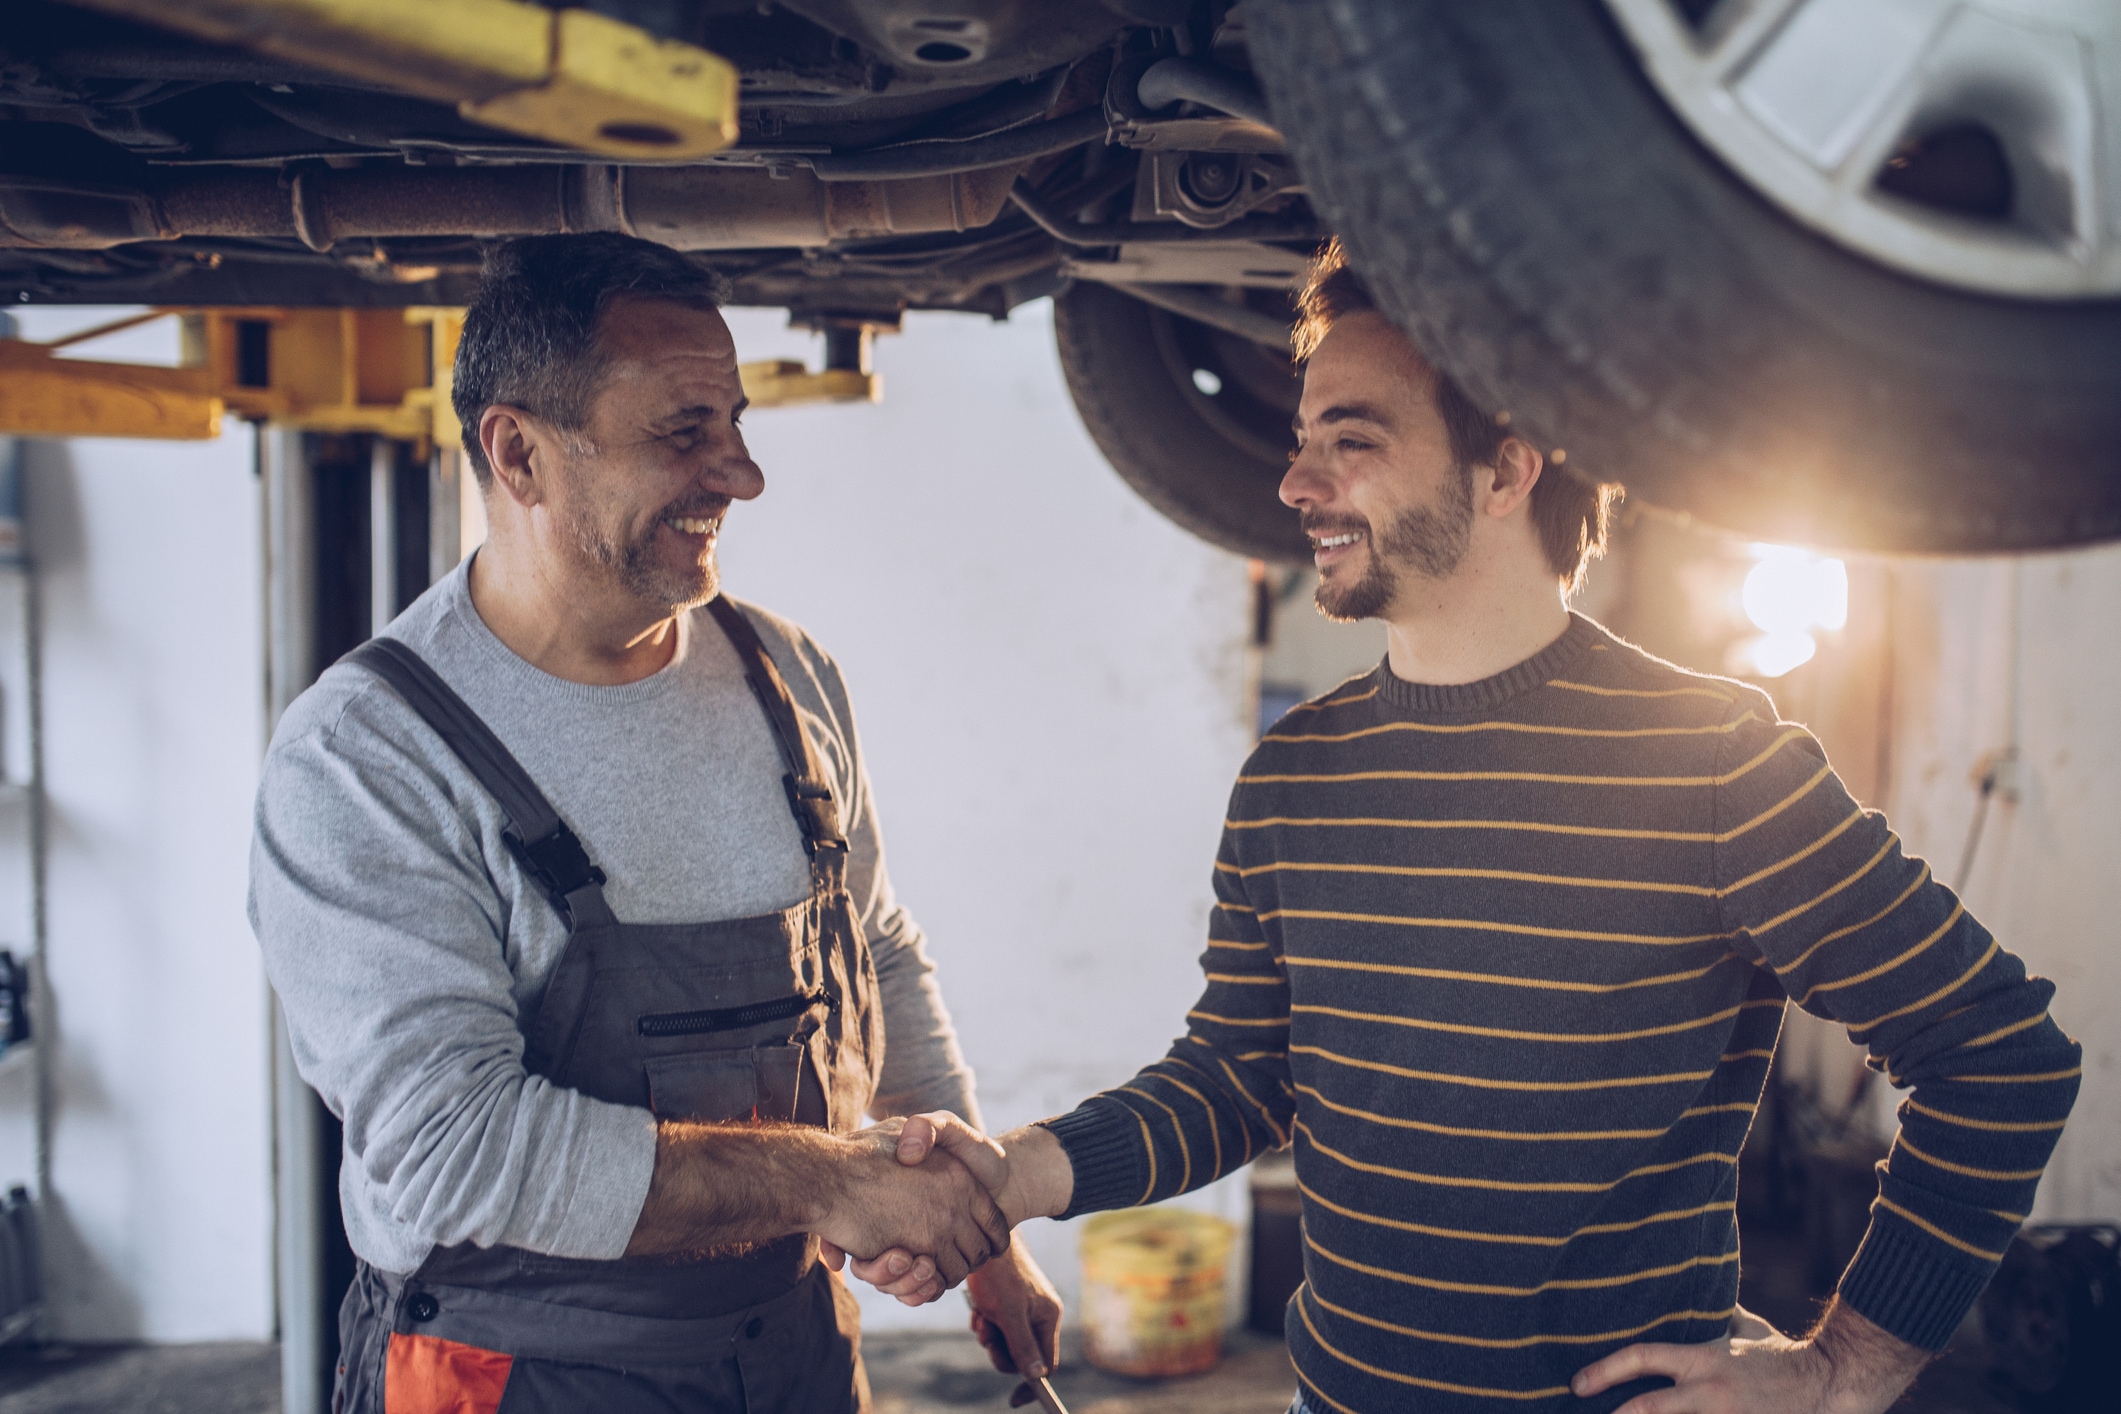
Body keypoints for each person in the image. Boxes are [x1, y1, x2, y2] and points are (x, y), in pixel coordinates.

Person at [854, 240, 2082, 1414]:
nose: (1294, 483)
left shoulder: (1707, 760)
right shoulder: (1296, 773)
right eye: (1301, 441)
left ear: (1507, 467)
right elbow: (1241, 1074)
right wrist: (1009, 1176)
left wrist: (1840, 1371)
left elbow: (2000, 1056)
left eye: (1354, 439)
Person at [249, 232, 1058, 1414]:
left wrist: (981, 1232)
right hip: (518, 1373)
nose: (740, 474)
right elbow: (454, 1146)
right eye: (684, 433)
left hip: (789, 1350)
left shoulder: (786, 675)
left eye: (737, 424)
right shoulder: (369, 757)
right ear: (518, 452)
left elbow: (871, 945)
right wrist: (834, 1183)